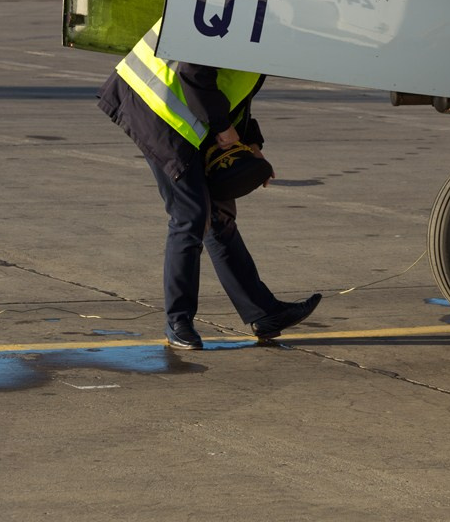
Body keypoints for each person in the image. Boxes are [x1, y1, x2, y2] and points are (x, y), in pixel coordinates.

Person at [97, 19, 321, 350]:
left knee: (218, 217)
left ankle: (264, 313)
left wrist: (249, 140)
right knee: (190, 215)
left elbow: (232, 87)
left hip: (187, 109)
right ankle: (178, 321)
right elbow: (194, 73)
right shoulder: (242, 12)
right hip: (153, 106)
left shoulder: (264, 22)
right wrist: (221, 127)